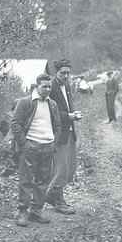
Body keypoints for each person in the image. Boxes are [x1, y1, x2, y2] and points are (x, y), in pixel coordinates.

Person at [10, 74, 61, 227]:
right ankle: (22, 211)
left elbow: (57, 125)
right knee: (26, 180)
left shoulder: (53, 104)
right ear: (36, 86)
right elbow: (15, 123)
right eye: (44, 86)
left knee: (43, 180)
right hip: (31, 147)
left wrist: (54, 141)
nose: (47, 89)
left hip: (48, 147)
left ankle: (36, 211)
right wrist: (24, 143)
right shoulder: (26, 102)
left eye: (49, 87)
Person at [47, 58, 83, 215]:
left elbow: (68, 105)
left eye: (68, 73)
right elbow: (49, 112)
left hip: (69, 130)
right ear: (56, 72)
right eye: (63, 73)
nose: (66, 76)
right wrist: (69, 116)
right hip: (57, 132)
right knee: (61, 167)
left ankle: (51, 195)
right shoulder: (51, 87)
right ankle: (58, 200)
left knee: (70, 166)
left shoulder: (67, 85)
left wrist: (73, 114)